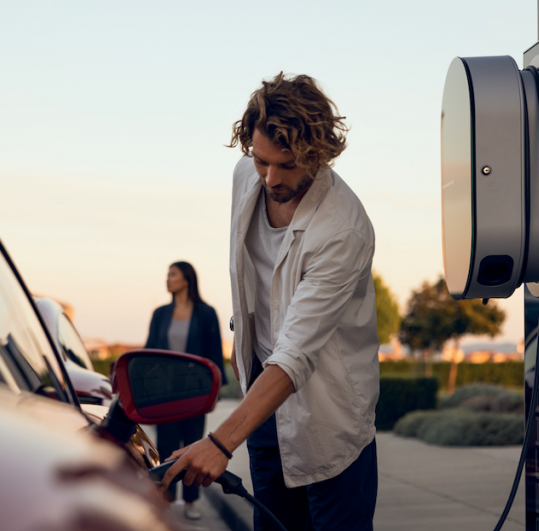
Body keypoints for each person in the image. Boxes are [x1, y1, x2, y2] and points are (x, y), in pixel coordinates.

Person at [161, 73, 381, 530]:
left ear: (317, 155)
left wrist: (220, 443)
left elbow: (296, 352)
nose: (271, 178)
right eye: (262, 161)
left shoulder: (343, 230)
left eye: (288, 165)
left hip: (330, 415)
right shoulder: (247, 176)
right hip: (264, 398)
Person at [144, 261, 227, 520]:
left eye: (172, 274)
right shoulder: (160, 313)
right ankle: (166, 501)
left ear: (187, 279)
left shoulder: (206, 313)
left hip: (195, 393)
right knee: (166, 447)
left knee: (193, 446)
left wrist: (215, 392)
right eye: (167, 274)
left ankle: (191, 503)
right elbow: (149, 351)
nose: (167, 279)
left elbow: (214, 353)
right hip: (165, 394)